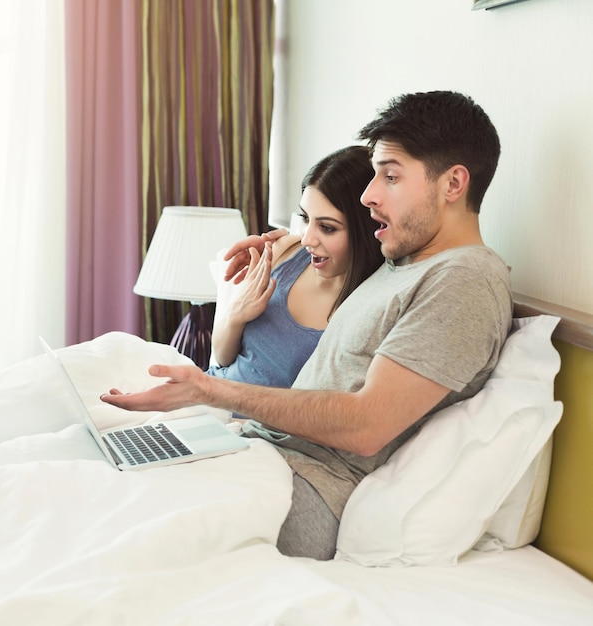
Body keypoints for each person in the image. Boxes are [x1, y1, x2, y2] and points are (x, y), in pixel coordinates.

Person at [101, 90, 513, 561]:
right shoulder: (399, 263)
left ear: (453, 184)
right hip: (260, 454)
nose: (368, 195)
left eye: (391, 176)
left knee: (108, 538)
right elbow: (331, 254)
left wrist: (209, 391)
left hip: (303, 489)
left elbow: (368, 426)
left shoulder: (463, 281)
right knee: (88, 481)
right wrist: (286, 247)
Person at [206, 145, 383, 394]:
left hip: (258, 426)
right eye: (305, 218)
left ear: (365, 230)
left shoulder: (370, 304)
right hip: (211, 393)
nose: (307, 239)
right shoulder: (286, 251)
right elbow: (222, 358)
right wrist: (237, 314)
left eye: (328, 228)